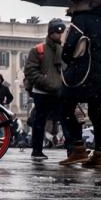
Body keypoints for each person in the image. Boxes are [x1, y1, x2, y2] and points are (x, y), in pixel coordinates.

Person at [58, 0, 101, 168]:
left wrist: (69, 57)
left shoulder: (80, 19)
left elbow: (68, 48)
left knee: (66, 107)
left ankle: (78, 148)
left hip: (82, 73)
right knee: (96, 114)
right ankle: (99, 155)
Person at [23, 18, 66, 161]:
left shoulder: (64, 50)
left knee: (65, 120)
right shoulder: (38, 50)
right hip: (42, 92)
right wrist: (46, 82)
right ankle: (36, 150)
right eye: (56, 31)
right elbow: (30, 71)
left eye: (60, 32)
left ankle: (71, 150)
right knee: (39, 121)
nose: (58, 34)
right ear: (50, 32)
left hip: (59, 91)